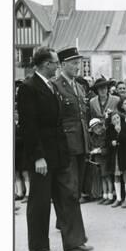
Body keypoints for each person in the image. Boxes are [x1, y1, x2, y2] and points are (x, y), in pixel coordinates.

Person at [17, 47, 92, 251]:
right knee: (40, 202)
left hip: (60, 153)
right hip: (41, 157)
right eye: (55, 63)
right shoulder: (29, 87)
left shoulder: (51, 86)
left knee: (68, 196)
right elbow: (29, 127)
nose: (57, 66)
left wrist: (65, 152)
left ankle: (74, 243)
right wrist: (38, 156)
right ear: (45, 65)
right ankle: (39, 246)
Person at [52, 46, 91, 205]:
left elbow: (83, 116)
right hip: (67, 144)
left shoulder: (79, 87)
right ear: (62, 65)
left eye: (78, 63)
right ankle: (69, 223)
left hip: (81, 142)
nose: (78, 66)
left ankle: (64, 221)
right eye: (74, 63)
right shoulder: (56, 86)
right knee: (69, 186)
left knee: (77, 185)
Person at [107, 111, 126, 208]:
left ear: (120, 118)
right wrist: (112, 143)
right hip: (115, 155)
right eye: (113, 119)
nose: (116, 120)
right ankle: (118, 198)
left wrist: (119, 133)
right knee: (116, 176)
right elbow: (108, 142)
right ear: (111, 121)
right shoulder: (110, 129)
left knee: (125, 174)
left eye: (117, 118)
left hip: (124, 155)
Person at [87, 118, 113, 205]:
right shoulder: (93, 138)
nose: (97, 130)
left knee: (108, 177)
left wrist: (100, 151)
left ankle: (110, 196)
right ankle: (104, 196)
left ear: (101, 126)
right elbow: (92, 147)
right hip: (98, 160)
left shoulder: (105, 135)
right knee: (102, 178)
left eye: (98, 127)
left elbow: (108, 149)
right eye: (95, 129)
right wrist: (93, 151)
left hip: (105, 159)